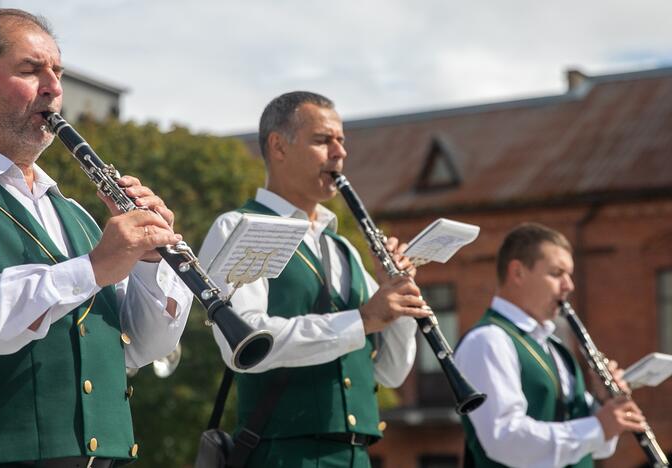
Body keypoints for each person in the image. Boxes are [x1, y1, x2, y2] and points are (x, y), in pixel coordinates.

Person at [0, 8, 192, 468]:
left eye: (57, 72)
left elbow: (145, 346)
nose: (53, 87)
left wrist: (148, 262)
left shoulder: (78, 215)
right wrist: (93, 268)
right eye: (30, 69)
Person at [198, 91, 431, 467]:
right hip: (285, 455)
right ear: (278, 147)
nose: (340, 153)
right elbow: (242, 343)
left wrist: (399, 304)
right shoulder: (240, 226)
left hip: (358, 455)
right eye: (323, 140)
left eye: (342, 141)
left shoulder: (344, 248)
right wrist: (363, 319)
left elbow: (389, 373)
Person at [454, 222, 647, 467]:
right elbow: (505, 439)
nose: (569, 285)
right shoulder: (488, 341)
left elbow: (594, 446)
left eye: (569, 274)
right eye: (557, 273)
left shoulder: (555, 348)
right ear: (518, 273)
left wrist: (605, 405)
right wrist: (597, 427)